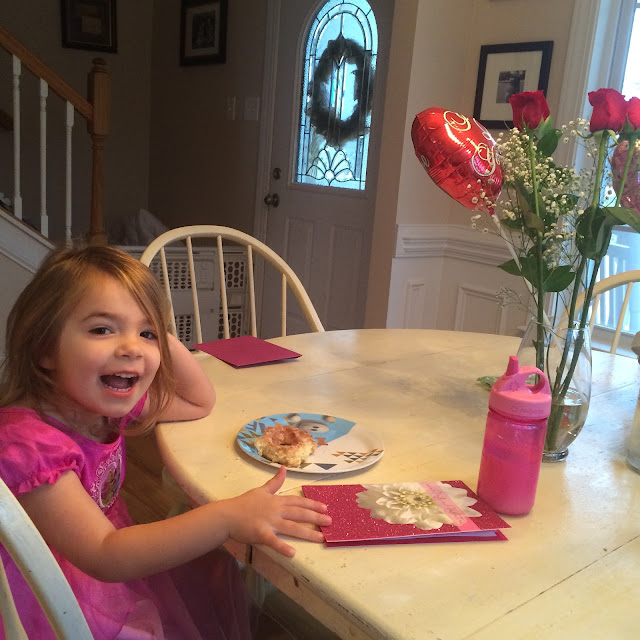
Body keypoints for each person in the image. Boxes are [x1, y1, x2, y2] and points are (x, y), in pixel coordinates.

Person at [0, 245, 331, 639]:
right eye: (102, 329)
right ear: (45, 348)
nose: (131, 347)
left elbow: (199, 401)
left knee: (212, 572)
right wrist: (227, 517)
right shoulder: (30, 446)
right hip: (53, 593)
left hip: (105, 557)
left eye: (146, 333)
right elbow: (104, 554)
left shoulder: (101, 404)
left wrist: (159, 333)